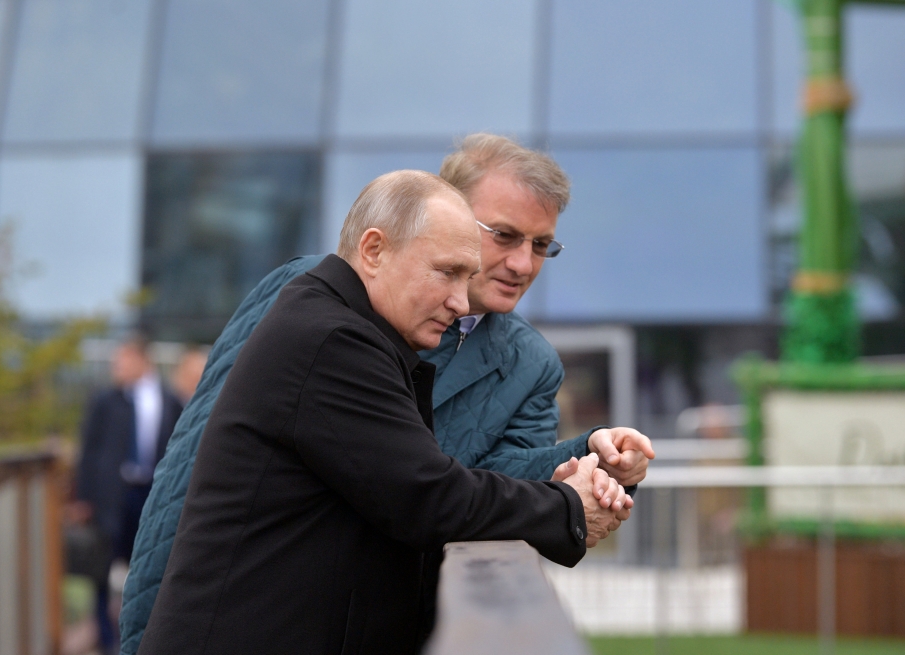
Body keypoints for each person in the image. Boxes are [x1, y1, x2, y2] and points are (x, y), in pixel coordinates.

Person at [119, 134, 654, 654]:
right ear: (439, 213)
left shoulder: (530, 365)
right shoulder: (325, 320)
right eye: (504, 235)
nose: (522, 264)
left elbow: (482, 480)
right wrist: (148, 624)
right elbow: (193, 474)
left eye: (541, 246)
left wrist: (586, 459)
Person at [76, 336, 184, 654]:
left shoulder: (169, 401)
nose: (116, 367)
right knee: (103, 567)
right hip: (113, 497)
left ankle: (144, 636)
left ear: (141, 360)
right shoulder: (105, 401)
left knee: (149, 564)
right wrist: (84, 498)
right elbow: (90, 451)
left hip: (151, 495)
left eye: (121, 360)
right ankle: (108, 640)